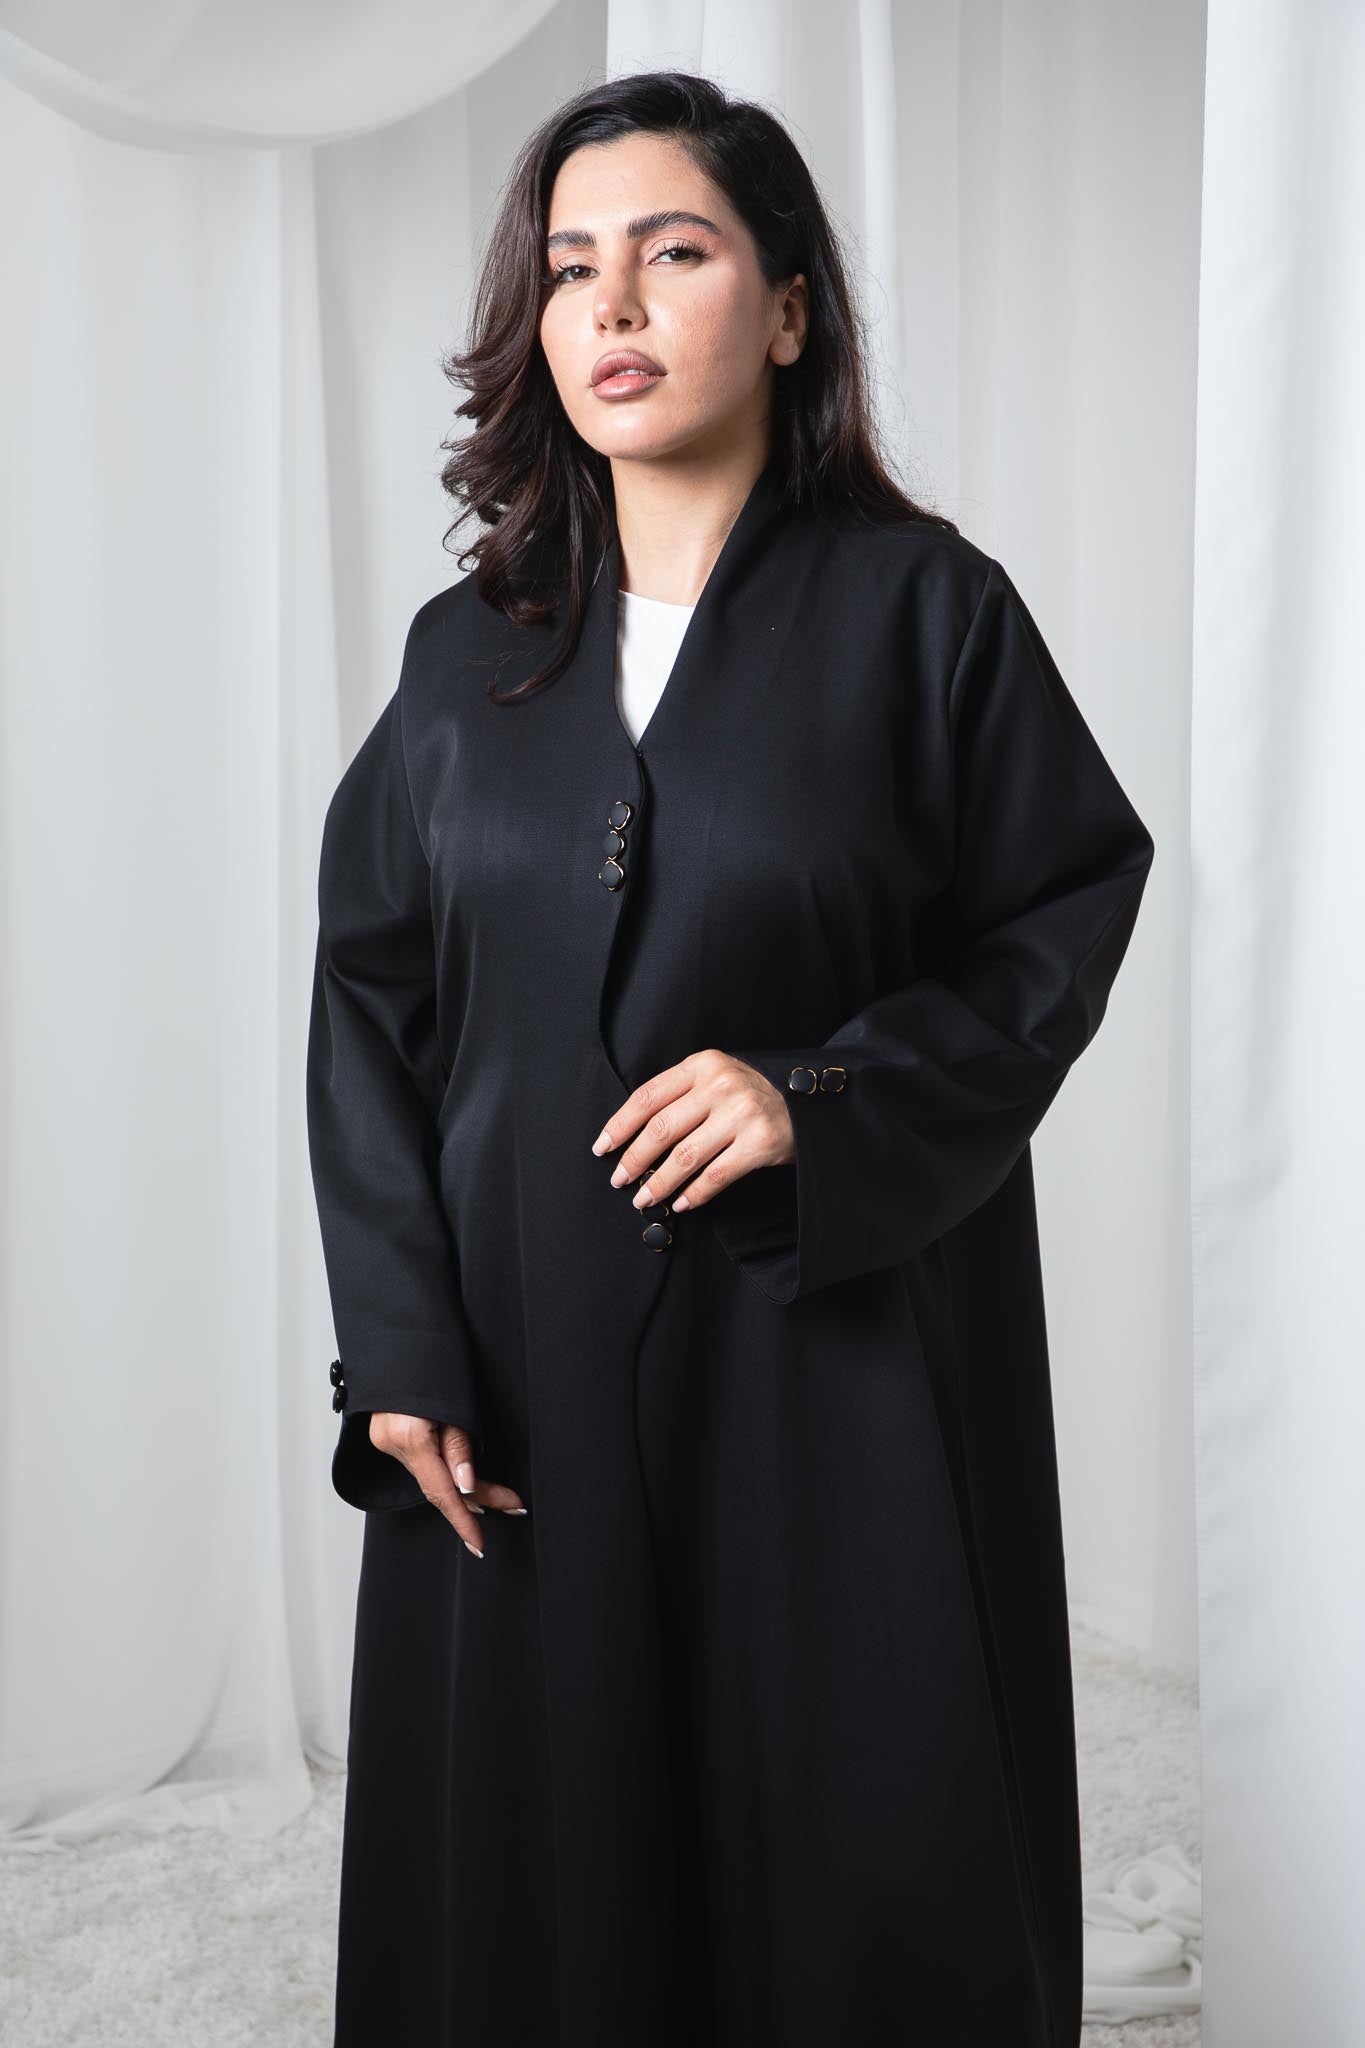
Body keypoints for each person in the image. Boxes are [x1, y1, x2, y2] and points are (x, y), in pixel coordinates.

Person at [306, 67, 1155, 2048]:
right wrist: (401, 1347)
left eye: (670, 253)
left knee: (837, 1840)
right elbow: (368, 995)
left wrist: (817, 1094)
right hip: (516, 1369)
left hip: (827, 1372)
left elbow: (1057, 912)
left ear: (784, 308)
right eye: (567, 267)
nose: (608, 305)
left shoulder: (925, 617)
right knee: (535, 1882)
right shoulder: (463, 655)